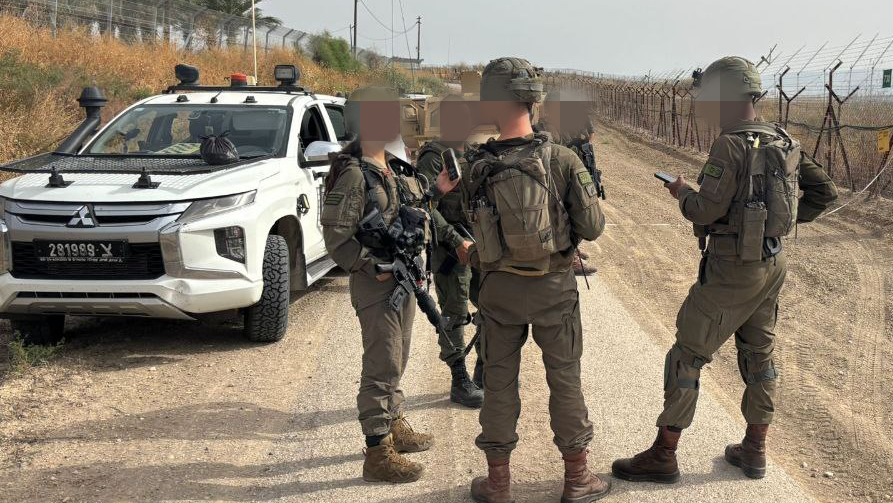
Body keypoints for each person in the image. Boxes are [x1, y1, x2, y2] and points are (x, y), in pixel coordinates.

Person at [611, 56, 839, 484]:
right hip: (772, 264)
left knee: (687, 354)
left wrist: (681, 191)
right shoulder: (785, 140)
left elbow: (704, 208)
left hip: (733, 267)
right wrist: (777, 225)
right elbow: (824, 192)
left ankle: (664, 453)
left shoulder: (730, 144)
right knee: (759, 354)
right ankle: (754, 449)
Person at [465, 57, 610, 503]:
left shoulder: (477, 166)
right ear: (533, 98)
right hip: (553, 289)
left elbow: (464, 223)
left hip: (498, 292)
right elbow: (593, 227)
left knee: (500, 386)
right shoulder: (563, 159)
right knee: (564, 380)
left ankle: (498, 485)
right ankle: (577, 479)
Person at [321, 86, 460, 483]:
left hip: (403, 275)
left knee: (398, 355)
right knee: (380, 364)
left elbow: (408, 212)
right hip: (376, 282)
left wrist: (437, 192)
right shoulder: (353, 173)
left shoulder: (393, 167)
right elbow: (336, 237)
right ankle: (377, 451)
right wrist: (370, 265)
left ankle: (394, 424)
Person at [415, 94, 484, 408]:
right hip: (450, 249)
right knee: (455, 314)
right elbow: (428, 206)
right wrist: (456, 241)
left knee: (493, 307)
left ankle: (486, 370)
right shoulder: (434, 157)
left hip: (478, 243)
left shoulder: (472, 155)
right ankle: (460, 379)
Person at [535, 89, 599, 275]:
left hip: (562, 185)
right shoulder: (546, 130)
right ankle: (568, 258)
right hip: (556, 188)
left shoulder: (561, 126)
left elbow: (587, 139)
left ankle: (571, 250)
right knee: (571, 218)